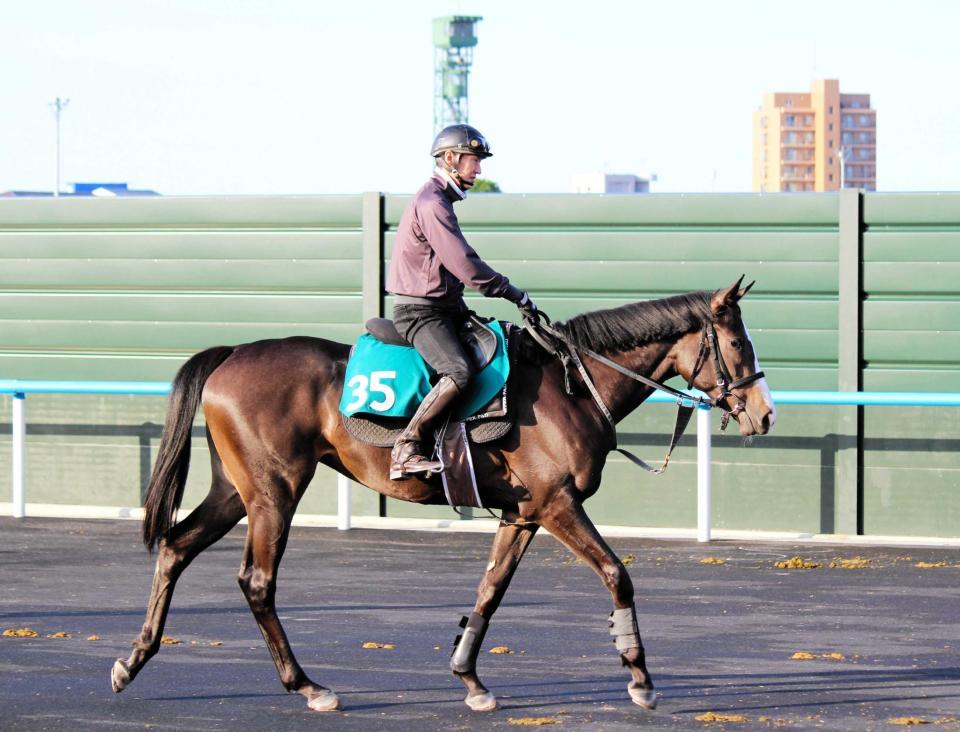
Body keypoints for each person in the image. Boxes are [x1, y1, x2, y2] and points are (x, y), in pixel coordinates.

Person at [385, 124, 537, 480]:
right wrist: (512, 292)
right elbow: (464, 264)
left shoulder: (440, 199)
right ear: (450, 159)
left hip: (446, 309)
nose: (479, 169)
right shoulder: (432, 202)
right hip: (420, 313)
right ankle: (406, 448)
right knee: (459, 372)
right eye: (474, 160)